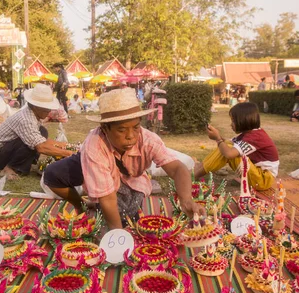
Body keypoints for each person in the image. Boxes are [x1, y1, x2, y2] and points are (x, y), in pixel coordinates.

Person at [43, 88, 206, 229]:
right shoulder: (94, 145)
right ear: (105, 128)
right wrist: (117, 235)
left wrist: (186, 200)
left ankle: (102, 207)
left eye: (135, 128)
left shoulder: (148, 140)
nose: (131, 136)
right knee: (53, 175)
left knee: (127, 215)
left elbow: (178, 169)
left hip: (129, 178)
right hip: (92, 162)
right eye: (121, 130)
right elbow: (107, 197)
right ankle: (81, 204)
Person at [0, 84, 74, 181]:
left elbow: (43, 140)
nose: (48, 111)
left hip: (7, 149)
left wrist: (65, 145)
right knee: (31, 141)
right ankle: (10, 167)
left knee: (41, 132)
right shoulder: (26, 119)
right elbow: (41, 146)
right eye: (45, 108)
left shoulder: (33, 115)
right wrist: (69, 154)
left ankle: (26, 163)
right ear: (35, 106)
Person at [194, 102, 279, 191]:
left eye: (233, 121)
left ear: (243, 120)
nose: (231, 124)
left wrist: (218, 139)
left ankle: (194, 175)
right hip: (259, 176)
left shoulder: (255, 137)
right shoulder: (250, 134)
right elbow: (226, 143)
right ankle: (197, 169)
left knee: (228, 150)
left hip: (263, 179)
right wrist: (217, 136)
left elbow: (229, 154)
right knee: (225, 146)